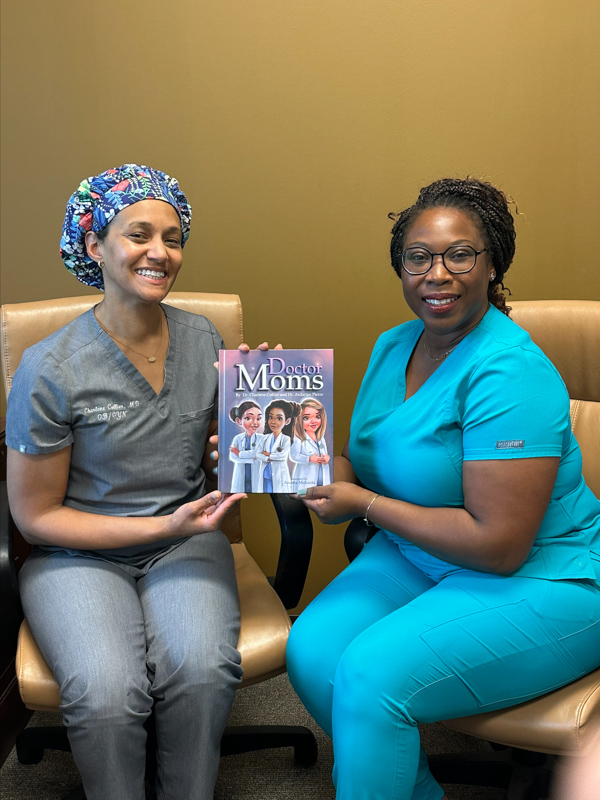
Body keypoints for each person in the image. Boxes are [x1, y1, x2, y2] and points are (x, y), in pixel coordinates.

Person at [286, 177, 600, 800]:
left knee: (372, 677)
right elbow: (362, 458)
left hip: (542, 576)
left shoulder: (510, 370)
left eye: (461, 255)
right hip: (418, 555)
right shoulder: (392, 344)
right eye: (419, 258)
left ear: (492, 265)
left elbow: (499, 546)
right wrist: (306, 468)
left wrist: (364, 506)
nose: (438, 274)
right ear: (400, 268)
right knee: (314, 653)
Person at [6, 164, 257, 800]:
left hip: (186, 540)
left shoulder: (205, 340)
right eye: (139, 234)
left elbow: (213, 467)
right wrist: (162, 523)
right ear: (94, 244)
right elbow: (35, 516)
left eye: (173, 238)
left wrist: (247, 425)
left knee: (202, 671)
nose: (160, 252)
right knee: (109, 693)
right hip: (76, 553)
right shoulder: (50, 366)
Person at [255, 400, 299, 492]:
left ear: (287, 421)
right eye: (271, 417)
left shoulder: (286, 439)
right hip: (265, 476)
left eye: (279, 418)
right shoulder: (265, 438)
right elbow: (257, 454)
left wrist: (267, 454)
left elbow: (282, 456)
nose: (273, 422)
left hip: (279, 476)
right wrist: (268, 457)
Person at [290, 397, 331, 491]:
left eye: (317, 416)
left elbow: (324, 452)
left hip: (322, 477)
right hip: (306, 479)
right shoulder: (298, 438)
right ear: (299, 420)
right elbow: (294, 456)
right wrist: (309, 459)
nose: (313, 421)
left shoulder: (320, 438)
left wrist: (326, 457)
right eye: (306, 418)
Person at [228, 400, 263, 492]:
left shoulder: (262, 439)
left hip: (256, 477)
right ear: (239, 421)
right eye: (248, 418)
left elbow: (259, 454)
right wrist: (251, 458)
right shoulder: (237, 438)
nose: (255, 422)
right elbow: (233, 457)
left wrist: (239, 453)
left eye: (258, 418)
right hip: (241, 477)